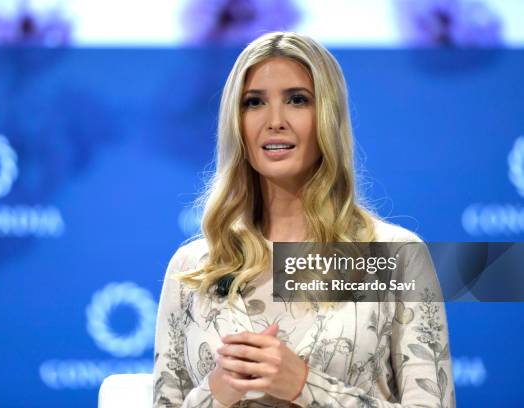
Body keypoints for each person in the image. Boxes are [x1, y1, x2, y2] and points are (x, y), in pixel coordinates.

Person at [153, 31, 455, 407]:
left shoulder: (395, 256)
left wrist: (306, 387)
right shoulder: (195, 267)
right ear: (236, 121)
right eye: (254, 102)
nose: (274, 120)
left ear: (327, 115)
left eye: (297, 100)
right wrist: (216, 393)